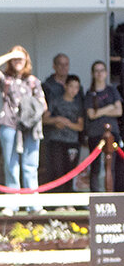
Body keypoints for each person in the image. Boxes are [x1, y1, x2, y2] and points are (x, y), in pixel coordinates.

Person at [0, 45, 48, 199]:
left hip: (30, 126)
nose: (17, 61)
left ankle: (33, 204)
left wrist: (30, 107)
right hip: (9, 123)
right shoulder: (6, 80)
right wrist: (10, 55)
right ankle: (12, 203)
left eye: (21, 58)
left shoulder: (33, 81)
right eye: (15, 59)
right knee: (11, 165)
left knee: (31, 165)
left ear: (26, 60)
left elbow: (43, 105)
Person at [84, 59, 124, 192]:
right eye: (97, 71)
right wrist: (109, 107)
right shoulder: (89, 93)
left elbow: (119, 111)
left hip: (113, 134)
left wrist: (99, 111)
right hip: (95, 133)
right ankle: (95, 196)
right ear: (93, 74)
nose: (99, 73)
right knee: (95, 168)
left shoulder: (112, 90)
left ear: (106, 73)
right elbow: (91, 114)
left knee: (113, 166)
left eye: (102, 70)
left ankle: (112, 195)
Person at [43, 74, 85, 192]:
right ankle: (57, 202)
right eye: (71, 86)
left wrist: (67, 123)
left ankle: (69, 201)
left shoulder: (78, 105)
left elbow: (80, 126)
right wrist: (56, 120)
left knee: (70, 172)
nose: (73, 90)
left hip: (72, 141)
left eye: (76, 88)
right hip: (56, 140)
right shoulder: (55, 101)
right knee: (57, 170)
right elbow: (44, 119)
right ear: (65, 86)